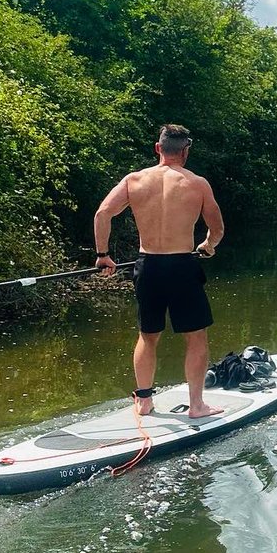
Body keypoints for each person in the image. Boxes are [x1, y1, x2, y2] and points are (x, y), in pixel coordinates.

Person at [94, 124, 225, 418]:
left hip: (148, 266)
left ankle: (144, 401)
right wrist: (208, 245)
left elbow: (103, 213)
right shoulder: (197, 184)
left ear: (158, 148)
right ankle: (197, 406)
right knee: (195, 337)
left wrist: (103, 255)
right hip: (182, 267)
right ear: (186, 151)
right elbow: (217, 228)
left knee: (148, 335)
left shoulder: (134, 180)